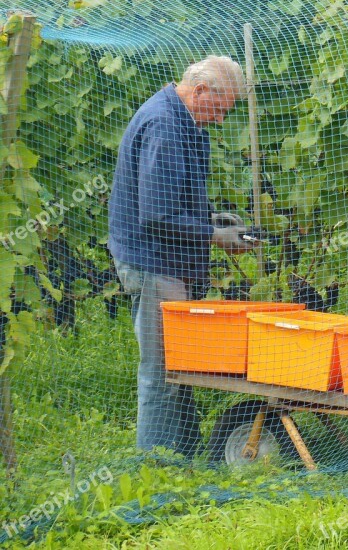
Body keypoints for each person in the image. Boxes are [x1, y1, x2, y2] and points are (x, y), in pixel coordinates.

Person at [108, 56, 256, 457]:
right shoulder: (164, 126)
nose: (222, 120)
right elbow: (157, 215)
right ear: (201, 91)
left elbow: (176, 200)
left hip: (169, 261)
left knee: (180, 365)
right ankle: (155, 469)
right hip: (154, 261)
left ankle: (185, 458)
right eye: (220, 109)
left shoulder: (188, 123)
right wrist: (215, 236)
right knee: (160, 373)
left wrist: (215, 219)